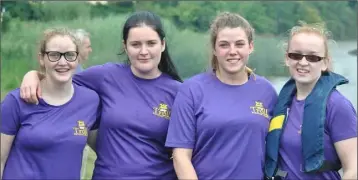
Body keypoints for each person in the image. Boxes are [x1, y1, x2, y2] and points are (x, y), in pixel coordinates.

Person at [18, 11, 182, 179]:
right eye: (136, 44)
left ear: (162, 44)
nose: (144, 51)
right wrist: (34, 76)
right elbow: (60, 77)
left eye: (151, 43)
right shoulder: (105, 76)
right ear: (125, 46)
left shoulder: (179, 92)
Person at [165, 12, 278, 179]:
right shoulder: (192, 90)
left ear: (250, 47)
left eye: (239, 44)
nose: (232, 51)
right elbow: (181, 156)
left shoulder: (267, 91)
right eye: (224, 45)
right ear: (214, 49)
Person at [0, 27, 100, 179]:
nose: (62, 62)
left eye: (69, 55)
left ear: (78, 58)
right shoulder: (17, 101)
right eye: (54, 55)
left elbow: (106, 148)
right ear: (41, 58)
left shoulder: (90, 101)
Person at [265, 22, 357, 180]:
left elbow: (353, 170)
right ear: (287, 58)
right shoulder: (281, 102)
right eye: (296, 55)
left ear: (325, 63)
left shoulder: (337, 106)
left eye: (313, 57)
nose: (303, 62)